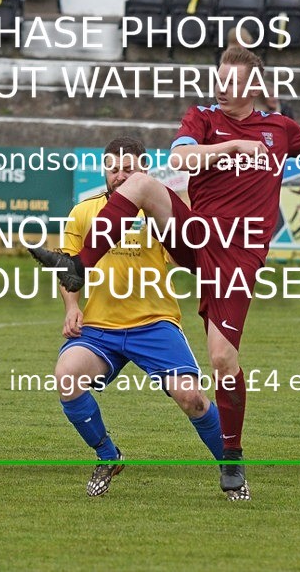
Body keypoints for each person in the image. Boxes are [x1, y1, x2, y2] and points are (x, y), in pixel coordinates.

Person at [31, 46, 300, 501]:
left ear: (254, 86)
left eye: (232, 81)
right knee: (140, 183)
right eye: (219, 78)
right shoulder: (201, 117)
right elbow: (182, 160)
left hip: (238, 259)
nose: (222, 86)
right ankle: (80, 264)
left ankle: (231, 457)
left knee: (221, 360)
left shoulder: (280, 130)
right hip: (197, 237)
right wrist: (235, 146)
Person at [56, 136, 226, 497]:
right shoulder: (84, 212)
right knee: (67, 378)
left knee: (192, 398)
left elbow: (189, 258)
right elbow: (68, 266)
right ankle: (108, 455)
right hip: (100, 328)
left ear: (143, 170)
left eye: (128, 169)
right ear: (105, 170)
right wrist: (72, 308)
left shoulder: (158, 211)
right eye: (114, 168)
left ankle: (232, 468)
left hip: (154, 324)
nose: (120, 175)